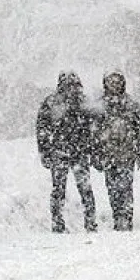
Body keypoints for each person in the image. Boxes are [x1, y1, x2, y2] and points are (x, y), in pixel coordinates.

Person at [36, 71, 97, 233]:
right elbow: (42, 128)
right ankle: (65, 222)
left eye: (73, 84)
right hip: (64, 151)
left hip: (73, 151)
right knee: (64, 189)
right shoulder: (53, 102)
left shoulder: (58, 102)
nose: (71, 88)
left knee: (78, 189)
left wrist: (91, 146)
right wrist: (45, 151)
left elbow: (93, 127)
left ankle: (85, 222)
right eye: (68, 84)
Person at [93, 71, 140, 231]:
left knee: (126, 188)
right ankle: (117, 217)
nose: (114, 85)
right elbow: (94, 133)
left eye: (117, 82)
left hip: (127, 155)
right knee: (112, 189)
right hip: (108, 155)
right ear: (105, 84)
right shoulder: (100, 106)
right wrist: (96, 154)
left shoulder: (131, 105)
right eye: (111, 82)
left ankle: (127, 219)